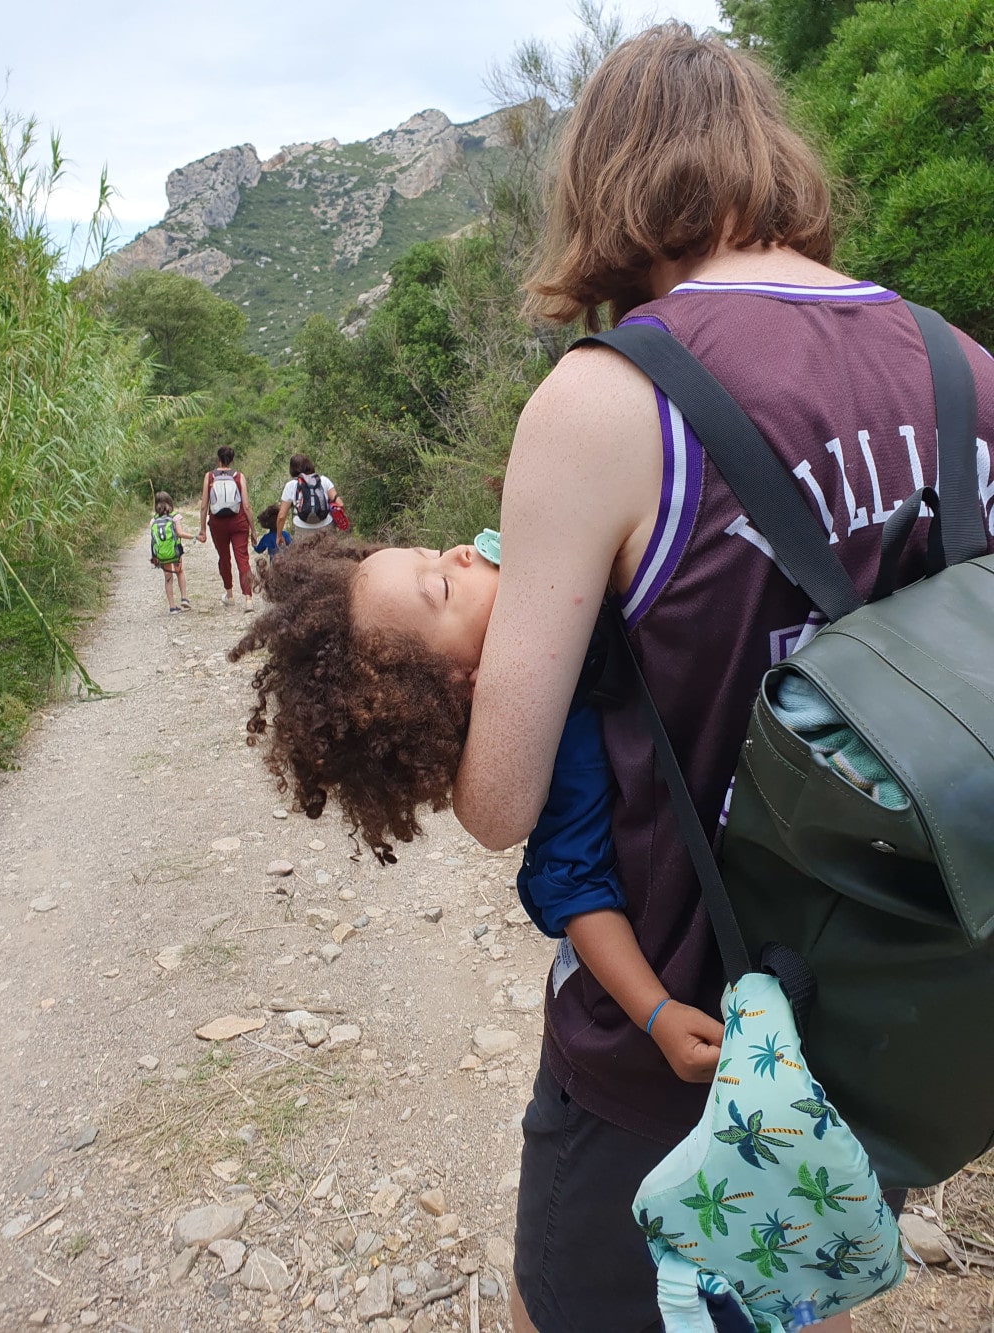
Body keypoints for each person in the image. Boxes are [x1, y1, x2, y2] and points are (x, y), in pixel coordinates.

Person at [445, 23, 994, 1333]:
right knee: (773, 1295)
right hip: (892, 997)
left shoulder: (608, 401)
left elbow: (503, 801)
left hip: (675, 1027)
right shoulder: (964, 370)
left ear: (609, 182)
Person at [228, 533, 722, 1073]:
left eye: (429, 553)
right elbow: (578, 890)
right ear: (466, 683)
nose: (462, 551)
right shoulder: (563, 735)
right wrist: (658, 1014)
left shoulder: (563, 566)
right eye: (440, 586)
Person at [197, 445, 258, 611]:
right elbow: (246, 505)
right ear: (232, 460)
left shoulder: (209, 477)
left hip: (218, 524)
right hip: (239, 523)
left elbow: (204, 506)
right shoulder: (239, 476)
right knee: (242, 559)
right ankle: (248, 599)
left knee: (224, 558)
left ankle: (230, 595)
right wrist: (253, 529)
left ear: (218, 459)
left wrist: (203, 529)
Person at [276, 452, 343, 546]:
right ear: (309, 465)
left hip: (302, 531)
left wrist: (278, 536)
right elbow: (340, 504)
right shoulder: (324, 480)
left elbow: (282, 516)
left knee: (305, 560)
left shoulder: (290, 486)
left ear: (292, 469)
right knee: (330, 557)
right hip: (326, 527)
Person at [149, 492, 190, 614]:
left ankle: (172, 607)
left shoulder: (153, 521)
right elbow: (180, 533)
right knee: (180, 572)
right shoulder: (174, 517)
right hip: (175, 551)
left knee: (168, 577)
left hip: (162, 554)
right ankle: (184, 598)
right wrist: (195, 537)